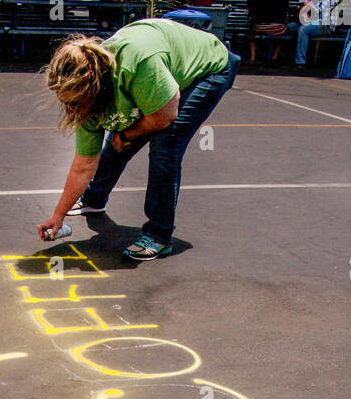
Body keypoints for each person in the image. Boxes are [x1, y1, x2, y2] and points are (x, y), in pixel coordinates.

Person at [38, 20, 240, 261]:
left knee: (165, 146)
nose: (72, 108)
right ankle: (94, 199)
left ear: (94, 88)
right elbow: (83, 165)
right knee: (119, 130)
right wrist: (57, 216)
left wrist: (128, 134)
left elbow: (165, 116)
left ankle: (159, 235)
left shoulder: (137, 65)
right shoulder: (86, 100)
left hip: (208, 68)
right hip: (156, 73)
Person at [295, 0, 337, 69]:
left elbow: (320, 9)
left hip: (326, 24)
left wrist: (308, 3)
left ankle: (300, 61)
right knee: (295, 27)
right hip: (322, 21)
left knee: (303, 30)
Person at [247, 0, 289, 64]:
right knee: (284, 32)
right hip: (278, 28)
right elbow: (286, 8)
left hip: (260, 27)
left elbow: (250, 1)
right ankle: (274, 56)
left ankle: (253, 57)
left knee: (251, 32)